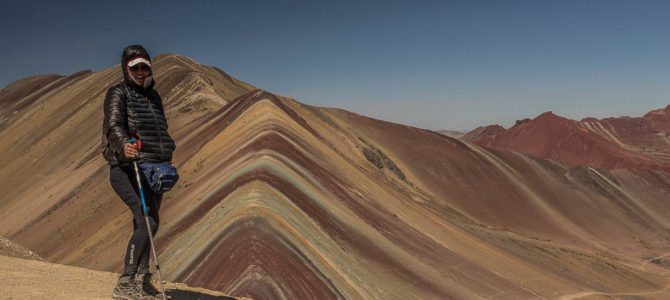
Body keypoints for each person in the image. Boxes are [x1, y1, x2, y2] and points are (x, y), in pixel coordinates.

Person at [102, 45, 175, 300]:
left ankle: (143, 282)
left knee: (148, 224)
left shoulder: (153, 97)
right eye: (135, 67)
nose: (141, 72)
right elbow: (113, 126)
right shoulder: (118, 93)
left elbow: (160, 127)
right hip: (127, 169)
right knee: (147, 221)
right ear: (126, 68)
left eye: (145, 67)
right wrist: (123, 145)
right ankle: (126, 282)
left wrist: (166, 151)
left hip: (154, 169)